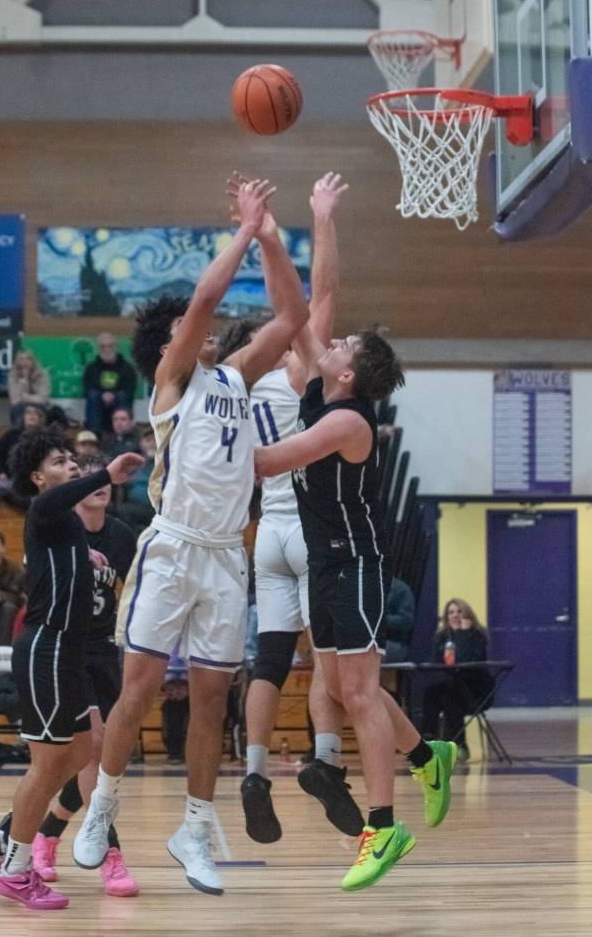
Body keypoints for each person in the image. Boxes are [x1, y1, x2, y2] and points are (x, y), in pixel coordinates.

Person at [73, 177, 309, 897]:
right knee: (139, 689)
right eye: (189, 322)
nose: (206, 323)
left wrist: (269, 233)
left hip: (224, 558)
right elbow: (204, 301)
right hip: (171, 548)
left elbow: (293, 313)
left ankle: (197, 825)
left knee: (212, 699)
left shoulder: (236, 378)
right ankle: (103, 806)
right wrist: (239, 230)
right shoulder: (173, 382)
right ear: (171, 339)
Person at [255, 327, 457, 893]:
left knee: (361, 692)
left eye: (344, 345)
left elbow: (267, 462)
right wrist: (268, 236)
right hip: (322, 566)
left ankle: (384, 828)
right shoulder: (323, 391)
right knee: (343, 689)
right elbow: (294, 314)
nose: (333, 341)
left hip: (357, 566)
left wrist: (201, 442)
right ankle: (426, 754)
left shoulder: (348, 420)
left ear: (347, 374)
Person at [233, 172, 366, 846]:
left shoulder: (241, 381)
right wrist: (321, 217)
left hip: (265, 530)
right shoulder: (303, 371)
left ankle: (254, 772)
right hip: (312, 532)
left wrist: (259, 233)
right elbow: (327, 290)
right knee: (326, 661)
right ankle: (324, 762)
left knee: (269, 661)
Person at [0, 425, 142, 910]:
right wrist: (106, 472)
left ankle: (7, 836)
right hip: (46, 647)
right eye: (59, 461)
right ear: (37, 477)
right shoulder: (43, 509)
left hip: (71, 652)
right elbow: (61, 500)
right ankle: (17, 869)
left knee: (79, 752)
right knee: (49, 762)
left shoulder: (68, 525)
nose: (70, 464)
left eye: (72, 457)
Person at [29, 453, 139, 896]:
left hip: (108, 652)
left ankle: (42, 834)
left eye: (104, 480)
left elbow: (135, 593)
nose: (98, 485)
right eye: (89, 478)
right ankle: (112, 857)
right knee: (93, 754)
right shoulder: (60, 529)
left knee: (104, 764)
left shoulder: (122, 535)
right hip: (70, 650)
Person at [422, 598, 493, 760]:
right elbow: (434, 663)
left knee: (451, 695)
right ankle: (429, 741)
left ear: (467, 614)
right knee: (431, 692)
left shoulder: (476, 635)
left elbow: (465, 661)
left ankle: (456, 746)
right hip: (450, 687)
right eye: (451, 612)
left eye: (459, 611)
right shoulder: (441, 636)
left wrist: (463, 634)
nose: (455, 615)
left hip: (474, 690)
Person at [0, 404, 47, 519]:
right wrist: (0, 474)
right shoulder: (10, 436)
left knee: (41, 498)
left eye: (35, 413)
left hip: (32, 483)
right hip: (6, 479)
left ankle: (35, 530)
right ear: (23, 416)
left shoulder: (45, 439)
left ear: (40, 417)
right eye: (28, 412)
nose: (31, 415)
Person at [83, 333, 137, 434]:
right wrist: (103, 395)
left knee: (122, 396)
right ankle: (95, 434)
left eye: (110, 346)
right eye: (103, 346)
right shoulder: (91, 368)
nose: (107, 349)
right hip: (98, 401)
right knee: (92, 395)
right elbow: (87, 388)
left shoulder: (127, 368)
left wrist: (113, 395)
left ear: (116, 347)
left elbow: (130, 389)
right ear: (98, 348)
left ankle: (122, 433)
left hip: (119, 400)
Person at [108, 428, 155, 535]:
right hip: (134, 507)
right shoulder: (132, 463)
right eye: (148, 440)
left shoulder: (168, 461)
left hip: (159, 508)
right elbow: (120, 483)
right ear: (141, 444)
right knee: (121, 510)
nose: (152, 444)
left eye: (155, 439)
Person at [8, 350, 51, 427]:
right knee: (17, 409)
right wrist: (24, 382)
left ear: (33, 361)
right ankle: (18, 434)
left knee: (34, 411)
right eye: (21, 359)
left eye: (27, 359)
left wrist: (26, 397)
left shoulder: (42, 374)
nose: (24, 362)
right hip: (20, 407)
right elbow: (14, 400)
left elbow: (43, 398)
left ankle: (38, 434)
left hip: (39, 405)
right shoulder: (13, 375)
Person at [383, 577, 415, 664]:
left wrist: (381, 620)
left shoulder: (400, 589)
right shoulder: (366, 588)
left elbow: (406, 622)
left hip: (392, 642)